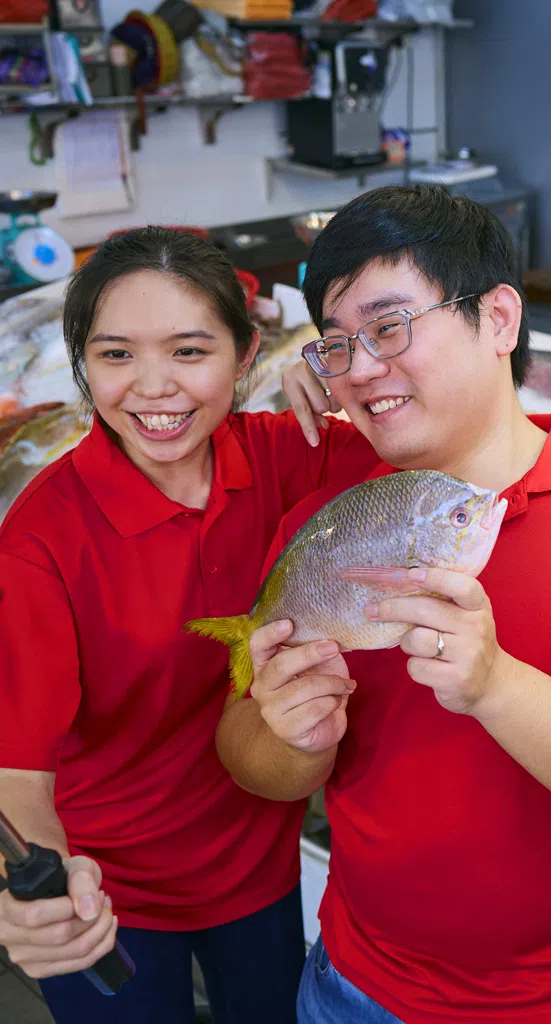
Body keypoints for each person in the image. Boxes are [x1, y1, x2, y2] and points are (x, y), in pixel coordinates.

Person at [216, 184, 551, 1024]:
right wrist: (292, 740)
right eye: (338, 346)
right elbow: (250, 757)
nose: (361, 371)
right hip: (352, 985)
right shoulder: (330, 512)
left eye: (389, 328)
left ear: (499, 319)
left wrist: (498, 685)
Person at [0, 227, 379, 1023]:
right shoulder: (41, 540)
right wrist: (39, 889)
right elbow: (18, 773)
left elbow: (445, 461)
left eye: (188, 351)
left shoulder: (292, 457)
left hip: (260, 870)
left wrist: (345, 372)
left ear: (247, 358)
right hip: (111, 888)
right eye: (115, 356)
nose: (152, 388)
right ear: (83, 365)